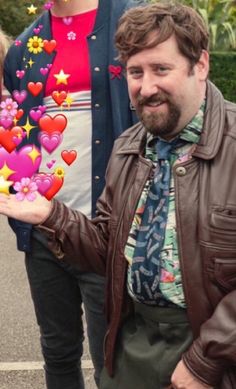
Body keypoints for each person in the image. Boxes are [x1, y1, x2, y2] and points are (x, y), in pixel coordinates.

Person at [1, 2, 236, 388]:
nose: (146, 86)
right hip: (125, 321)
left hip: (207, 345)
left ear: (201, 65)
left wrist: (204, 363)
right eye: (134, 72)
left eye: (161, 69)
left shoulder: (228, 145)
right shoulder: (129, 149)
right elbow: (107, 247)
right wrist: (50, 215)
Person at [3, 0, 144, 388]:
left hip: (109, 233)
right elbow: (18, 137)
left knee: (112, 360)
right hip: (44, 233)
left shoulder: (131, 22)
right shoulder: (23, 49)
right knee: (58, 352)